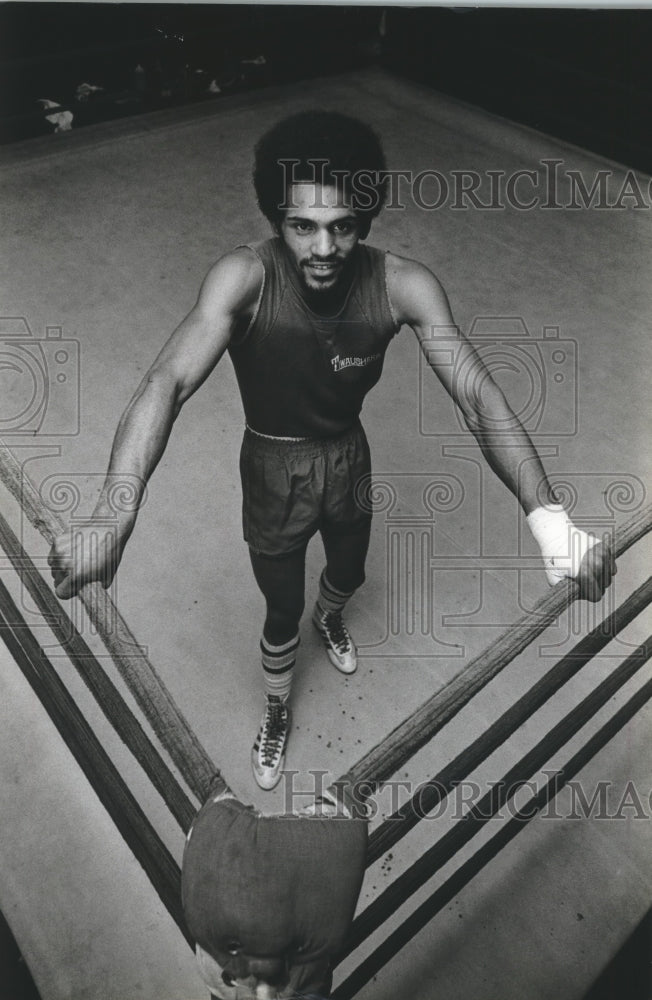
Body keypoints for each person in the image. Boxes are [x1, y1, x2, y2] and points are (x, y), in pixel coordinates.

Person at [48, 110, 615, 792]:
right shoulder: (242, 279)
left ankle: (332, 615)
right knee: (279, 609)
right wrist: (114, 514)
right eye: (302, 225)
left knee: (348, 572)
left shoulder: (405, 285)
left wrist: (550, 520)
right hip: (272, 465)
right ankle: (279, 708)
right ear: (275, 220)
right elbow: (165, 382)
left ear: (367, 219)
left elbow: (478, 397)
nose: (323, 248)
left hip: (348, 457)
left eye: (342, 225)